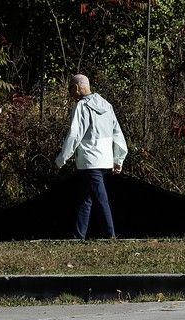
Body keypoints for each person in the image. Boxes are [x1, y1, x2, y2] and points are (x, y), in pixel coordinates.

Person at [54, 74, 128, 240]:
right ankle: (78, 235)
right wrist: (118, 158)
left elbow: (74, 135)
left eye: (70, 89)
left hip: (89, 161)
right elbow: (117, 132)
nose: (70, 93)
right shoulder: (106, 105)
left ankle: (111, 235)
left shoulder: (81, 107)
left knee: (100, 199)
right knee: (86, 198)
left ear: (76, 88)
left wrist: (61, 158)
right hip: (106, 160)